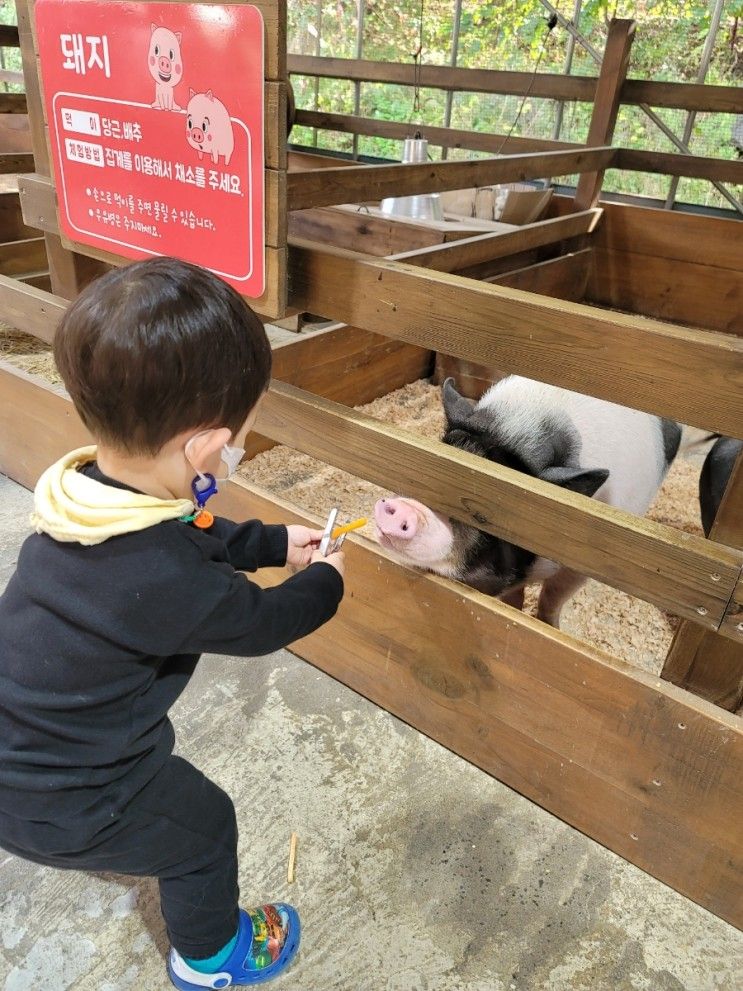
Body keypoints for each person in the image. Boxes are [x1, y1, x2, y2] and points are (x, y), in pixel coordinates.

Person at [0, 257, 346, 989]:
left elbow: (196, 529)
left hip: (17, 752)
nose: (235, 449)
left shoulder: (87, 495)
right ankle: (210, 956)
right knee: (203, 827)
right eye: (235, 437)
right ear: (202, 446)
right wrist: (325, 579)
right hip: (69, 796)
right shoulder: (163, 578)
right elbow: (261, 622)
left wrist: (276, 543)